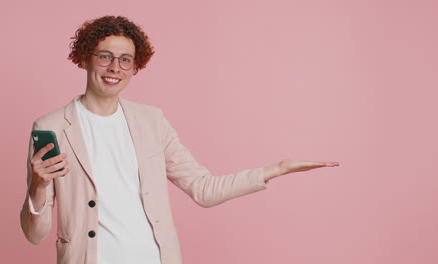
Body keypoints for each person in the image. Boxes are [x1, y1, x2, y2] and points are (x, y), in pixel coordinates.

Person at [20, 15, 339, 264]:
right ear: (85, 58)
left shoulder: (152, 121)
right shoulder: (52, 127)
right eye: (105, 56)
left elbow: (203, 189)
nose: (115, 67)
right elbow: (35, 235)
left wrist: (276, 169)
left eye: (125, 59)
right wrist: (38, 185)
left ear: (135, 66)